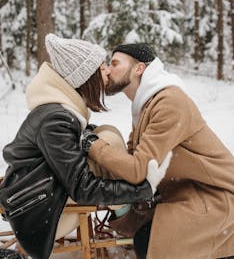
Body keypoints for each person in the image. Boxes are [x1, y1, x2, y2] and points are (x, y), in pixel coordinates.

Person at [0, 36, 170, 259]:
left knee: (104, 135)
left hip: (49, 196)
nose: (108, 72)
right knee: (107, 140)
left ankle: (129, 213)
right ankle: (131, 218)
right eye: (101, 68)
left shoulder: (60, 112)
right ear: (85, 77)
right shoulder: (54, 120)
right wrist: (143, 189)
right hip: (41, 214)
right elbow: (83, 188)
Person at [84, 43, 234, 259]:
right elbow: (132, 158)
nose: (107, 70)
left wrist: (92, 145)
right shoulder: (146, 105)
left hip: (217, 196)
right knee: (146, 237)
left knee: (150, 241)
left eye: (114, 63)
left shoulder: (169, 102)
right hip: (189, 193)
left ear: (139, 69)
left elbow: (138, 169)